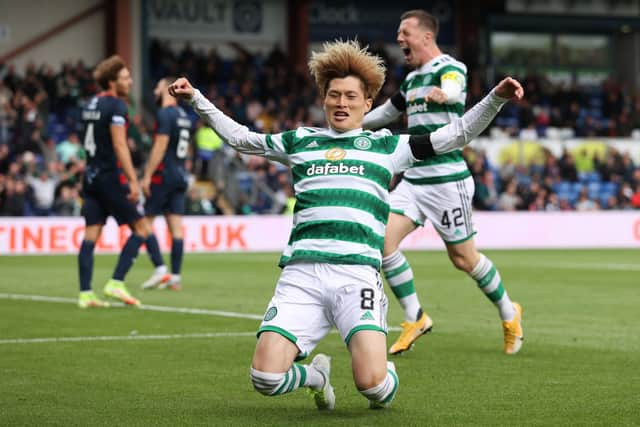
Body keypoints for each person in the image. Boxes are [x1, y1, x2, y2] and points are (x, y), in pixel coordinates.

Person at [169, 40, 523, 409]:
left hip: (357, 277)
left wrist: (495, 97)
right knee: (265, 378)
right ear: (323, 98)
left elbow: (455, 134)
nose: (342, 103)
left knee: (373, 387)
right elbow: (241, 138)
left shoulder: (388, 147)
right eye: (334, 95)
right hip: (301, 276)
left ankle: (380, 372)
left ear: (367, 103)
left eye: (351, 96)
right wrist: (196, 98)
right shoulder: (300, 141)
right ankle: (317, 376)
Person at [363, 9, 524, 355]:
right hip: (414, 179)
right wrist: (353, 125)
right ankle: (415, 316)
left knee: (464, 259)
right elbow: (388, 113)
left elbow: (454, 89)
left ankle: (510, 313)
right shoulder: (411, 79)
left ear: (426, 36)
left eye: (405, 32)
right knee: (381, 241)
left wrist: (447, 96)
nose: (399, 39)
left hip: (447, 182)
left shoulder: (450, 67)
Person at [77, 55, 154, 308]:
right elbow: (120, 145)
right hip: (109, 177)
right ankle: (116, 282)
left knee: (91, 235)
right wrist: (133, 181)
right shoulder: (117, 106)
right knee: (142, 229)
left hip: (89, 177)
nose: (130, 82)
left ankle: (86, 294)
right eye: (125, 78)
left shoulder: (90, 104)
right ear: (112, 82)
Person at [140, 77, 192, 291]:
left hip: (164, 174)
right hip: (180, 174)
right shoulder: (183, 116)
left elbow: (160, 147)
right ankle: (175, 278)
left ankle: (160, 268)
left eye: (158, 85)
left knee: (144, 223)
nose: (155, 88)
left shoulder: (164, 114)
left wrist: (147, 175)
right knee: (176, 229)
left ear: (167, 89)